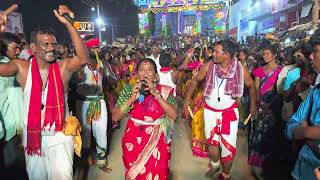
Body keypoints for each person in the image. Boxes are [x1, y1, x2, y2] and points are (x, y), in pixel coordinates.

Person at [0, 5, 88, 179]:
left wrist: (70, 24)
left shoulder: (62, 67)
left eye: (53, 44)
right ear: (33, 47)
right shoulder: (21, 67)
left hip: (59, 137)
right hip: (33, 138)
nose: (51, 48)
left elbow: (83, 59)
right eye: (45, 44)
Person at [183, 39, 257, 179]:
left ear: (227, 54)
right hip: (210, 111)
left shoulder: (240, 69)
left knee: (228, 147)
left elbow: (252, 86)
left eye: (217, 51)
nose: (213, 54)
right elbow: (195, 81)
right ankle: (216, 164)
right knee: (211, 141)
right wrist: (186, 101)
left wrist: (253, 106)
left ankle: (226, 174)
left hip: (229, 114)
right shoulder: (209, 66)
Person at [112, 58, 178, 180]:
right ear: (137, 74)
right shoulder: (129, 90)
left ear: (156, 75)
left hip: (157, 138)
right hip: (133, 138)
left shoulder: (164, 90)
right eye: (141, 70)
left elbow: (174, 115)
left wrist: (157, 95)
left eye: (149, 70)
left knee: (159, 169)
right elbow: (115, 117)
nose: (145, 73)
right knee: (135, 173)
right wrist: (132, 99)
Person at [75, 37, 116, 172]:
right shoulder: (78, 63)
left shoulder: (103, 63)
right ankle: (85, 158)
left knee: (101, 131)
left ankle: (101, 160)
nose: (96, 50)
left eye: (97, 47)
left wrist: (106, 74)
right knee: (85, 132)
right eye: (92, 47)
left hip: (99, 101)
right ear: (85, 48)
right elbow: (69, 83)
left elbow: (115, 81)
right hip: (83, 103)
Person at [285, 28, 320, 180]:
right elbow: (291, 126)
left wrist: (305, 131)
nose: (310, 57)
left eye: (316, 51)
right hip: (302, 169)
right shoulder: (316, 91)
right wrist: (307, 133)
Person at [249, 45, 283, 179]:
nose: (265, 56)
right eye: (263, 54)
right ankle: (256, 162)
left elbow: (278, 91)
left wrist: (269, 105)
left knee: (269, 134)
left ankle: (268, 162)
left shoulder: (280, 71)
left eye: (268, 54)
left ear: (274, 55)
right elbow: (256, 88)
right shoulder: (259, 71)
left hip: (273, 107)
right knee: (257, 133)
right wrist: (259, 103)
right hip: (260, 106)